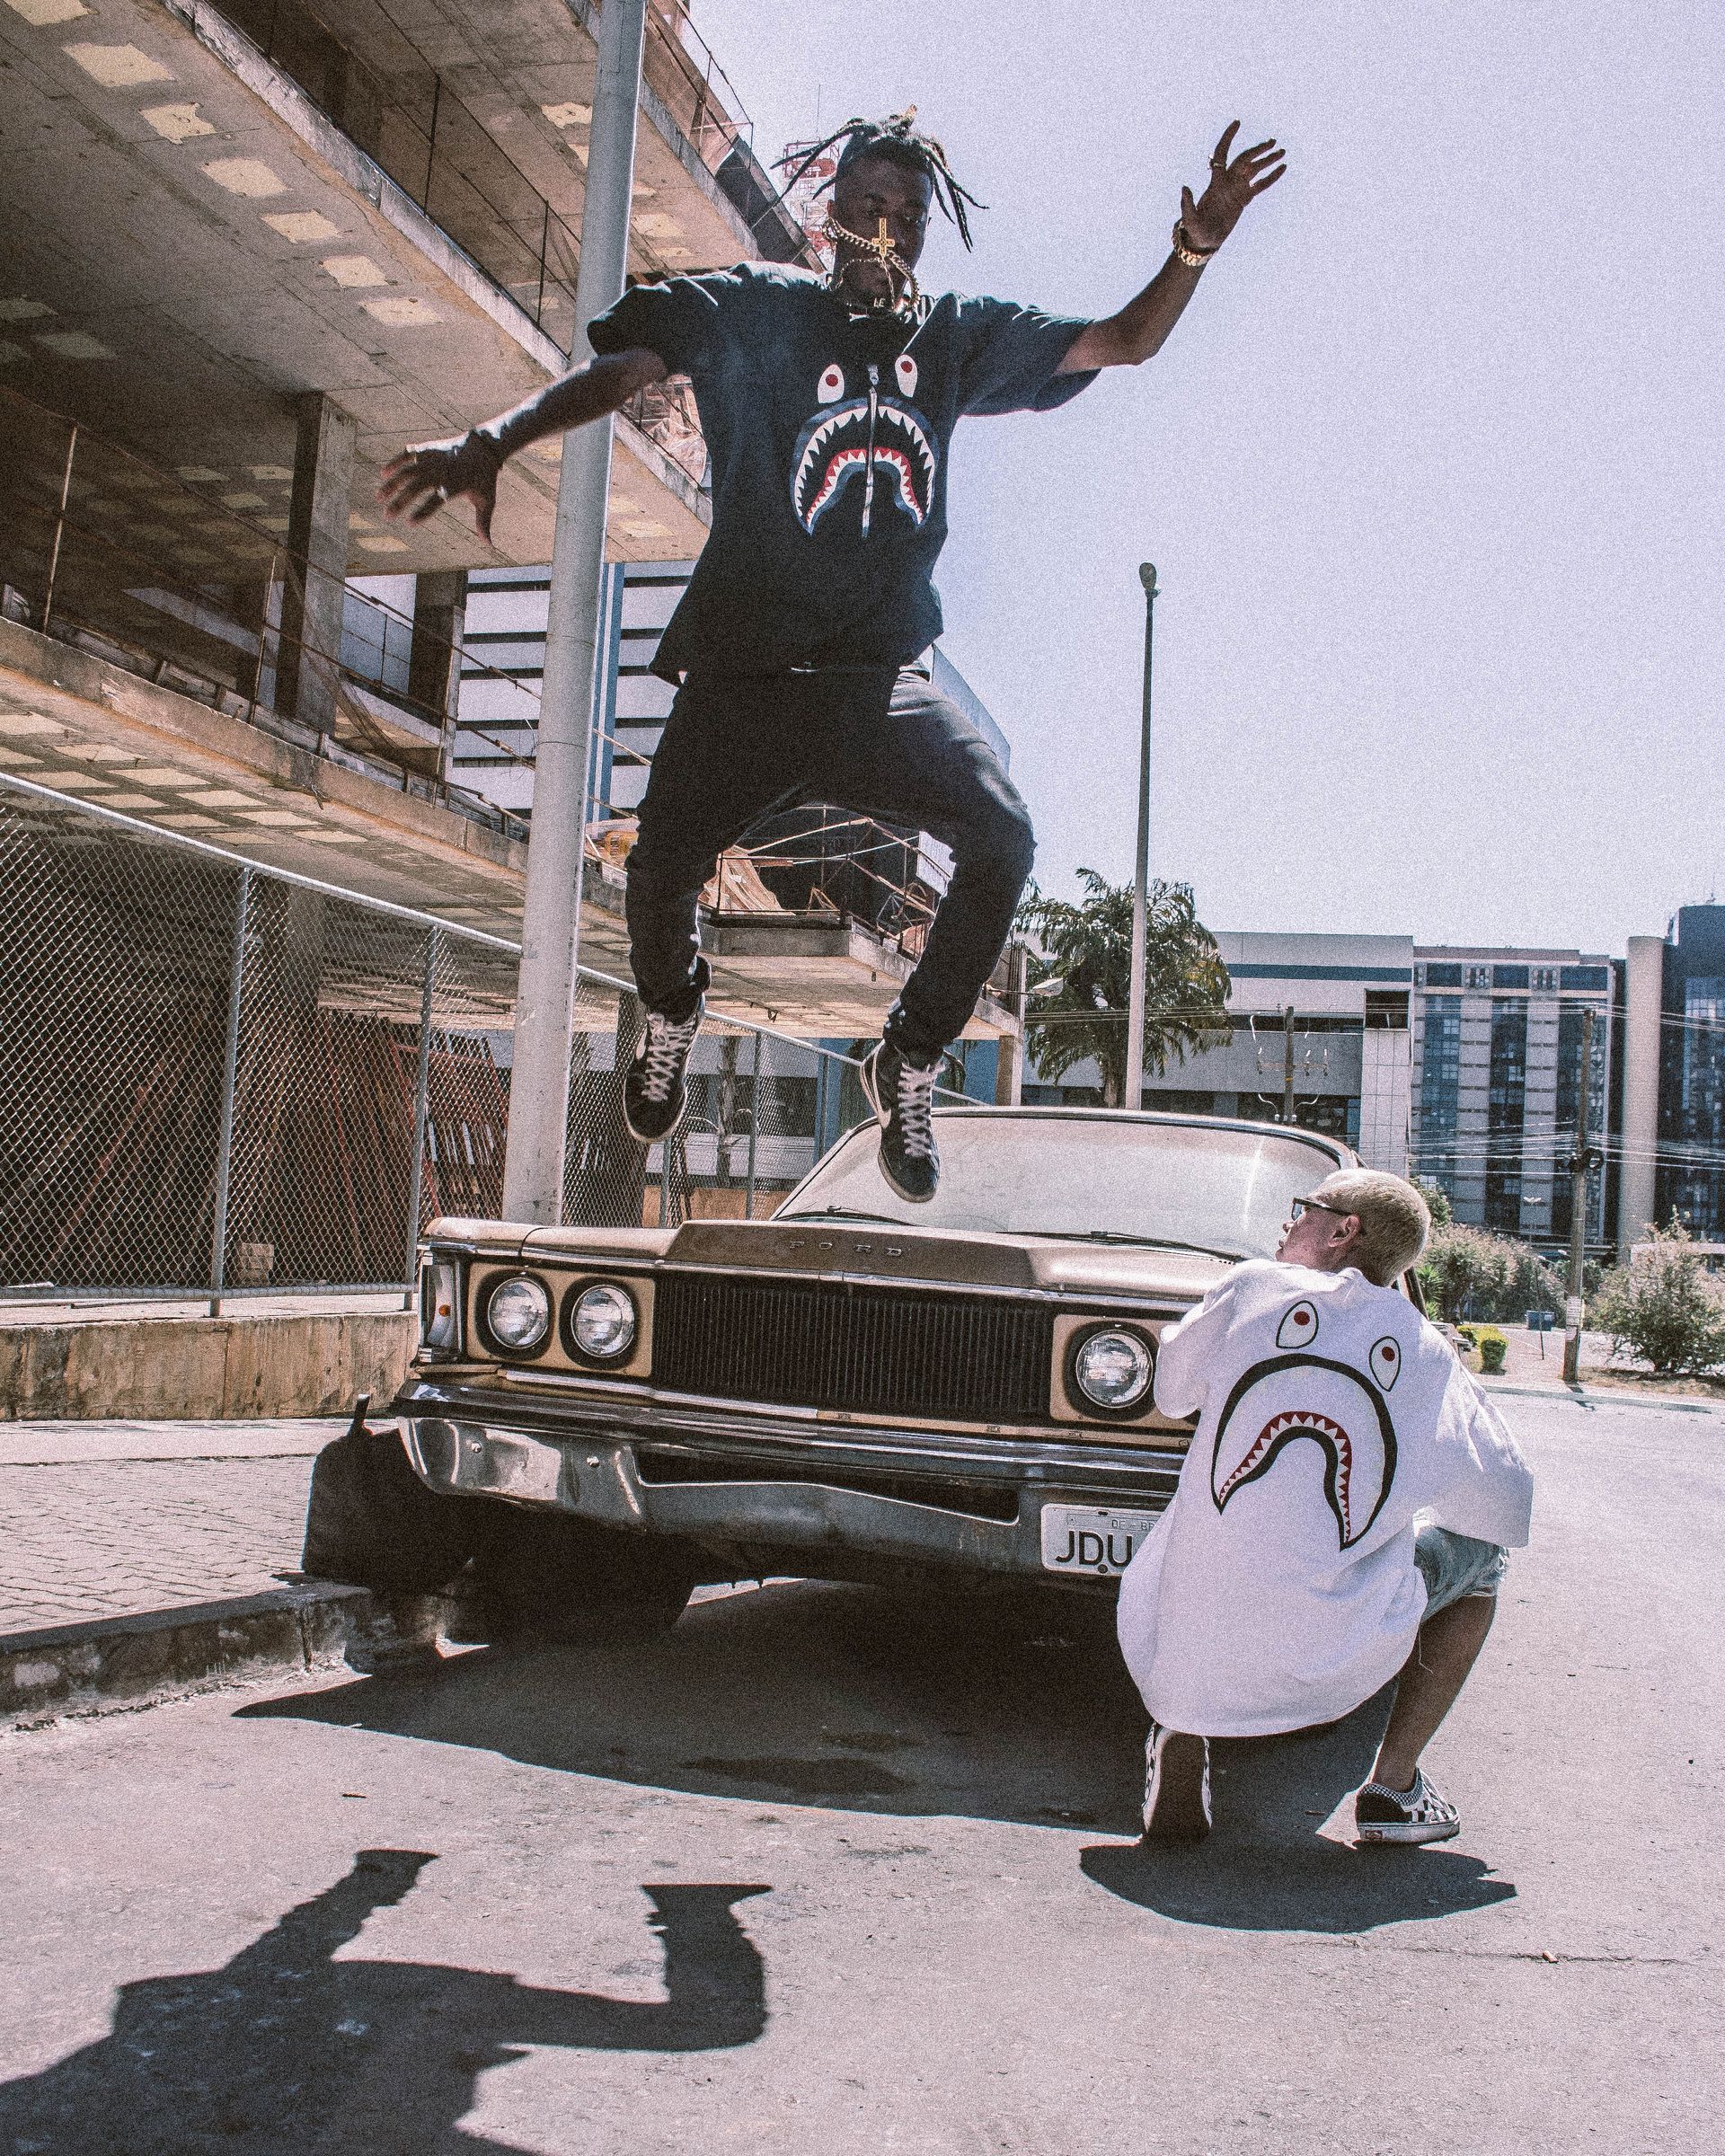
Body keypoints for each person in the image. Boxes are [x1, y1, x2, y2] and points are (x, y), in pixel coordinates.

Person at [380, 110, 1285, 1201]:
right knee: (659, 868)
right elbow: (622, 371)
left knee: (1002, 834)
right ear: (829, 215)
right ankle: (671, 1009)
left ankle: (907, 1056)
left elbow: (1120, 341)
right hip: (743, 680)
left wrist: (1192, 251)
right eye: (867, 208)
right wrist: (493, 440)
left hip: (874, 687)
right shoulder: (753, 309)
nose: (886, 231)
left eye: (907, 217)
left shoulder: (952, 337)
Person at [1116, 1169, 1534, 1846]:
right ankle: (1393, 1791)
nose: (1288, 1223)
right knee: (1485, 1564)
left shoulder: (1251, 1286)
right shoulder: (1425, 1349)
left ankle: (1183, 1726)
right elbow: (1505, 1500)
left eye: (1304, 1210)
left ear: (1344, 1232)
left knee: (1210, 1537)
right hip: (1335, 1638)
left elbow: (1172, 1394)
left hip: (1192, 1620)